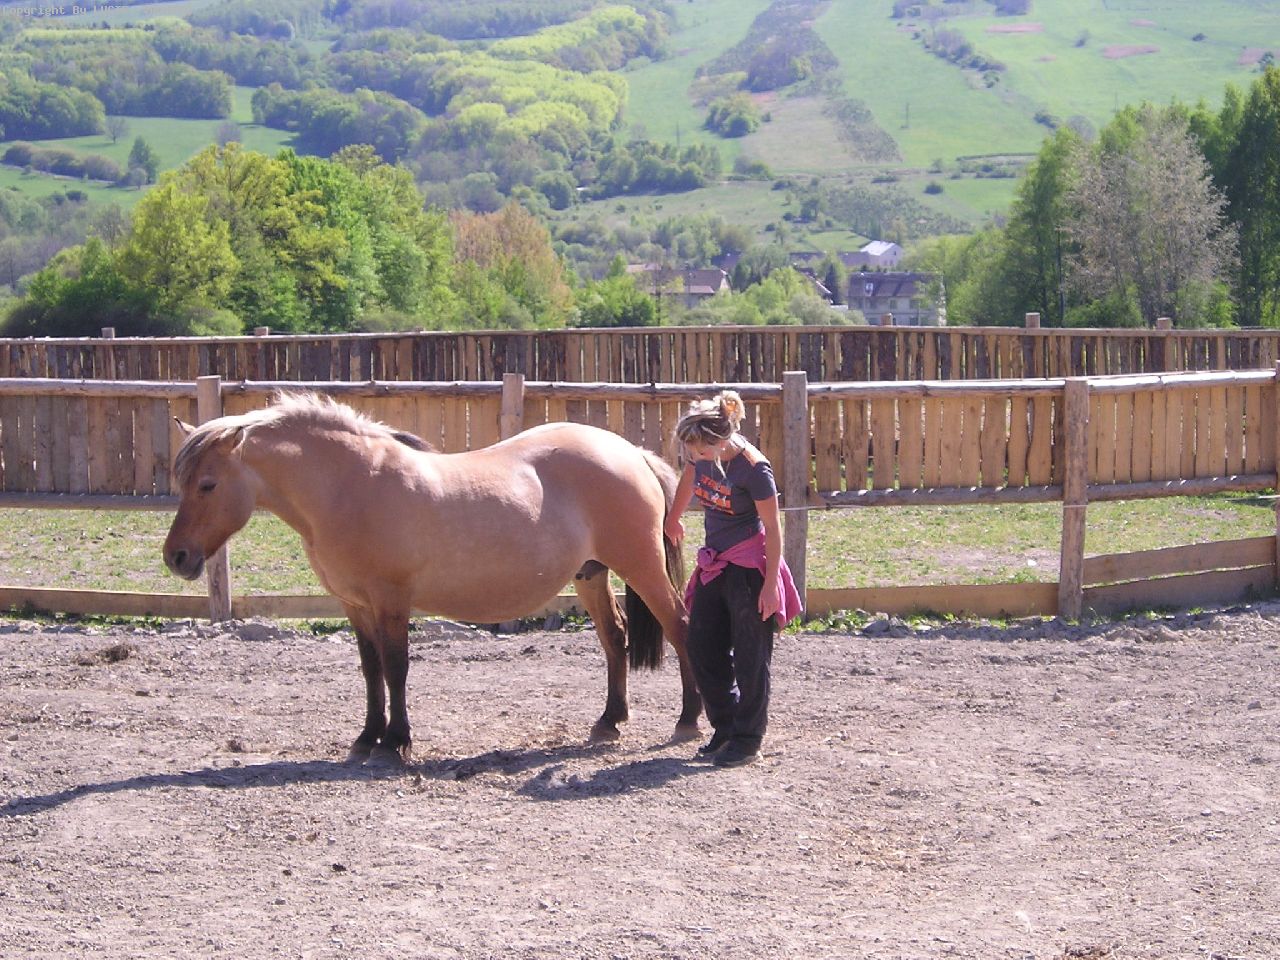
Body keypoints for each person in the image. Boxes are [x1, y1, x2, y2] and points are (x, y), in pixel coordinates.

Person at [665, 390, 802, 768]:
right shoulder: (701, 455)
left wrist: (771, 586)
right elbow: (690, 476)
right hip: (717, 563)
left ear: (721, 440)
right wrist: (673, 517)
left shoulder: (754, 469)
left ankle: (748, 740)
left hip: (750, 568)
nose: (694, 456)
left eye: (699, 450)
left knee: (750, 657)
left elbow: (773, 529)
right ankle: (725, 726)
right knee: (700, 645)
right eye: (689, 450)